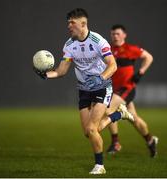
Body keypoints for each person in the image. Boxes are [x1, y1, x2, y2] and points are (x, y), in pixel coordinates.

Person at [34, 9, 134, 174]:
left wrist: (100, 78)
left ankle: (99, 166)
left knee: (92, 129)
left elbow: (113, 65)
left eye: (72, 22)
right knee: (88, 132)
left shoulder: (98, 41)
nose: (69, 26)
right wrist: (47, 75)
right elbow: (61, 71)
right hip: (84, 90)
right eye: (68, 23)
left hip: (102, 87)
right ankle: (118, 115)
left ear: (83, 24)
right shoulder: (69, 45)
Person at [106, 24, 158, 157]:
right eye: (113, 34)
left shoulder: (130, 49)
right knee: (134, 119)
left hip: (127, 88)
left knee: (108, 108)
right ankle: (150, 140)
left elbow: (149, 57)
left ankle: (115, 142)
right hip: (115, 89)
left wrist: (140, 73)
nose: (115, 36)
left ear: (124, 35)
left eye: (118, 34)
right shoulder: (109, 50)